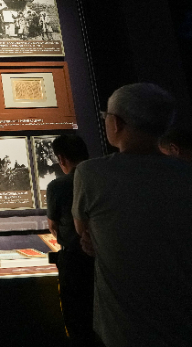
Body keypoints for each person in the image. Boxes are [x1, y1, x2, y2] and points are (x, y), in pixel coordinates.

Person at [73, 83, 192, 347]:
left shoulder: (91, 174)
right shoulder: (185, 174)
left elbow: (83, 230)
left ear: (115, 123)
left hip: (123, 325)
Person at [46, 135, 98, 347]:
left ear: (61, 159)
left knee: (77, 322)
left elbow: (53, 225)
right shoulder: (102, 179)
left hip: (74, 263)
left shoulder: (58, 186)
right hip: (105, 261)